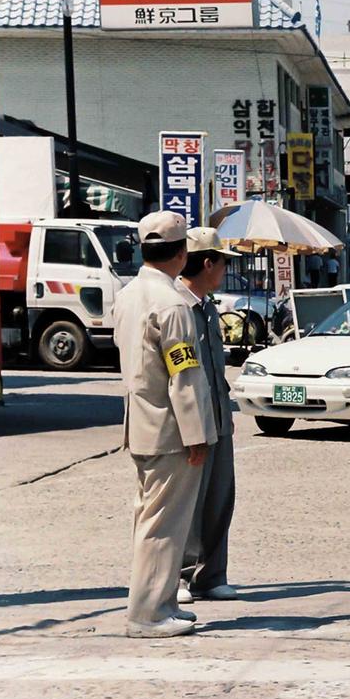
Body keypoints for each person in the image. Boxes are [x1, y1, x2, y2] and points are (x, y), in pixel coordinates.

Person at [113, 211, 217, 638]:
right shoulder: (172, 304)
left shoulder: (129, 293)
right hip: (171, 429)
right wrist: (198, 435)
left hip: (141, 423)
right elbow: (185, 374)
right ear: (181, 253)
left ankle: (163, 603)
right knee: (163, 525)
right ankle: (149, 613)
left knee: (150, 519)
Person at [175, 228, 241, 605]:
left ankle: (211, 575)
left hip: (218, 416)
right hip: (192, 421)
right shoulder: (177, 307)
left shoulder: (208, 307)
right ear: (207, 262)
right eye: (222, 262)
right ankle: (182, 576)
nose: (224, 270)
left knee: (220, 498)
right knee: (190, 502)